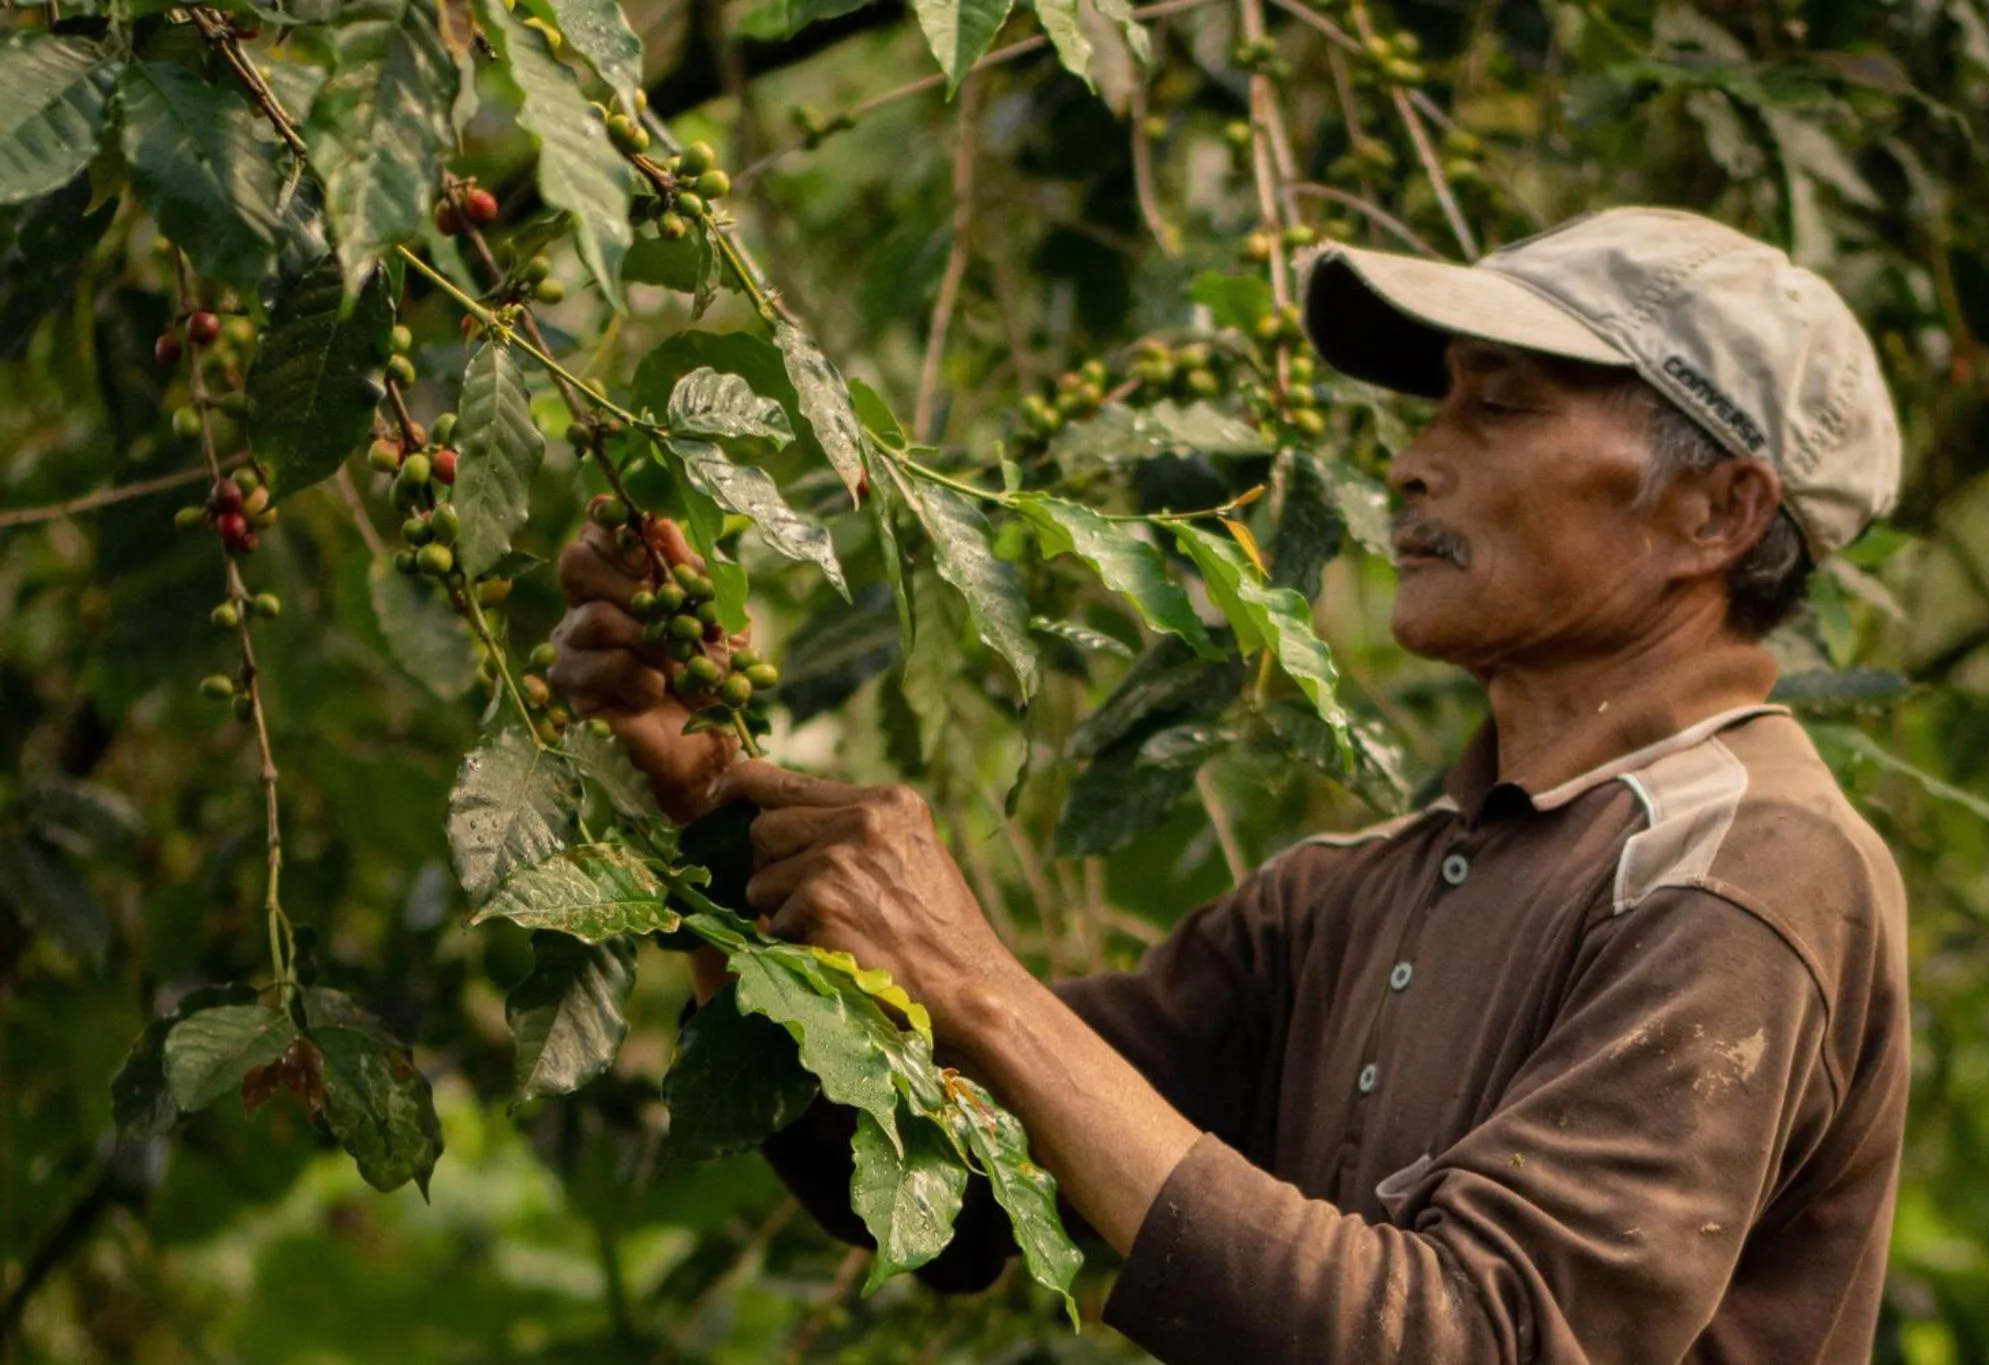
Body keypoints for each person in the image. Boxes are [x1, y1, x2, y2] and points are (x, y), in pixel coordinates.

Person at [548, 206, 1910, 1363]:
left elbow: (1476, 1334)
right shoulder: (1358, 890)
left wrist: (981, 986)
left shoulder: (1752, 876)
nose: (1411, 458)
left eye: (1498, 408)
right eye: (1436, 403)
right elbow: (950, 1187)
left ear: (1717, 515)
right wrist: (713, 805)